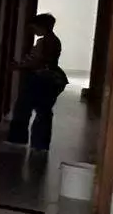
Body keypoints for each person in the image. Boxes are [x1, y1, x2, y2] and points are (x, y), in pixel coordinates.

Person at [6, 13, 68, 152]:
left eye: (34, 28)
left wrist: (18, 66)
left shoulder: (43, 42)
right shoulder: (54, 40)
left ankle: (18, 139)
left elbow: (36, 61)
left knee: (23, 107)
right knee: (43, 111)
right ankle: (40, 144)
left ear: (42, 27)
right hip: (51, 80)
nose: (33, 31)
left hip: (40, 79)